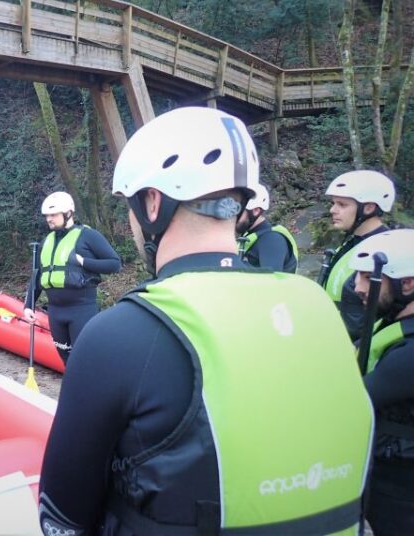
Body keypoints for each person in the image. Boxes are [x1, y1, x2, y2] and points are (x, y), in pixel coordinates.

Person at [38, 107, 373, 535]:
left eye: (131, 206)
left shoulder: (119, 334)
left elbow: (62, 515)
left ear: (153, 202)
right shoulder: (316, 305)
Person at [348, 229, 414, 535]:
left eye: (367, 278)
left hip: (401, 492)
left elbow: (355, 398)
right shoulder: (390, 323)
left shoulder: (410, 351)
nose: (357, 287)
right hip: (385, 478)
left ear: (408, 283)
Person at [23, 191, 121, 363]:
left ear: (68, 213)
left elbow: (114, 264)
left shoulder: (88, 236)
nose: (49, 219)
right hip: (55, 312)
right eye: (47, 215)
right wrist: (28, 306)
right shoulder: (47, 240)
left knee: (84, 360)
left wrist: (84, 262)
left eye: (53, 214)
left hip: (81, 309)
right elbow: (38, 275)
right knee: (66, 359)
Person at [320, 169, 396, 338]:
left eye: (342, 204)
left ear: (369, 208)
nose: (333, 210)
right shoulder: (352, 243)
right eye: (333, 203)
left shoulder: (384, 252)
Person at [235, 182, 298, 272]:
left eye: (237, 211)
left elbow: (272, 282)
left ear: (256, 211)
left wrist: (243, 266)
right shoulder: (251, 236)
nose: (232, 217)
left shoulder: (272, 240)